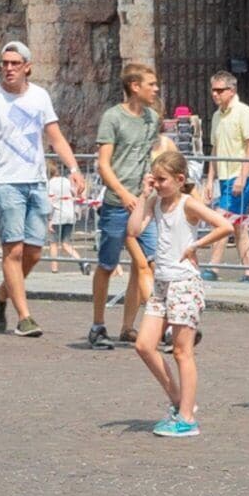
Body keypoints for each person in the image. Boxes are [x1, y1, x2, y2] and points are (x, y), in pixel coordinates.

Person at [0, 41, 82, 338]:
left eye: (15, 63)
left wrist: (73, 169)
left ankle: (0, 295)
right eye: (5, 63)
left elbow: (55, 137)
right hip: (4, 182)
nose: (8, 68)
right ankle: (24, 316)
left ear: (27, 67)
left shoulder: (40, 97)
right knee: (14, 250)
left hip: (36, 181)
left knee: (34, 252)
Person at [125, 139, 228, 439]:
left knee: (183, 351)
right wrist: (144, 196)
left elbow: (224, 226)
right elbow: (133, 230)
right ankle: (178, 399)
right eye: (154, 179)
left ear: (180, 180)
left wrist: (197, 244)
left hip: (184, 282)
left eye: (161, 180)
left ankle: (187, 417)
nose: (156, 185)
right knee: (144, 344)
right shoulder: (155, 202)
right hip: (162, 282)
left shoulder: (188, 204)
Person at [84, 64, 163, 351]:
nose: (156, 89)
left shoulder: (152, 119)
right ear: (134, 86)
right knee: (107, 264)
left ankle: (147, 326)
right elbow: (104, 164)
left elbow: (147, 155)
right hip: (117, 204)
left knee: (150, 262)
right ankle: (97, 324)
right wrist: (122, 192)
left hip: (143, 203)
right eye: (151, 84)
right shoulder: (112, 118)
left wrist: (151, 183)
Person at [197, 69, 249, 273]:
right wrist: (209, 181)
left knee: (221, 219)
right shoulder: (217, 116)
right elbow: (215, 150)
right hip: (224, 176)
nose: (215, 94)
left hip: (241, 176)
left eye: (220, 90)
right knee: (238, 224)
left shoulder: (244, 113)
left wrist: (242, 177)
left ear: (231, 90)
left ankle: (214, 267)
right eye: (213, 90)